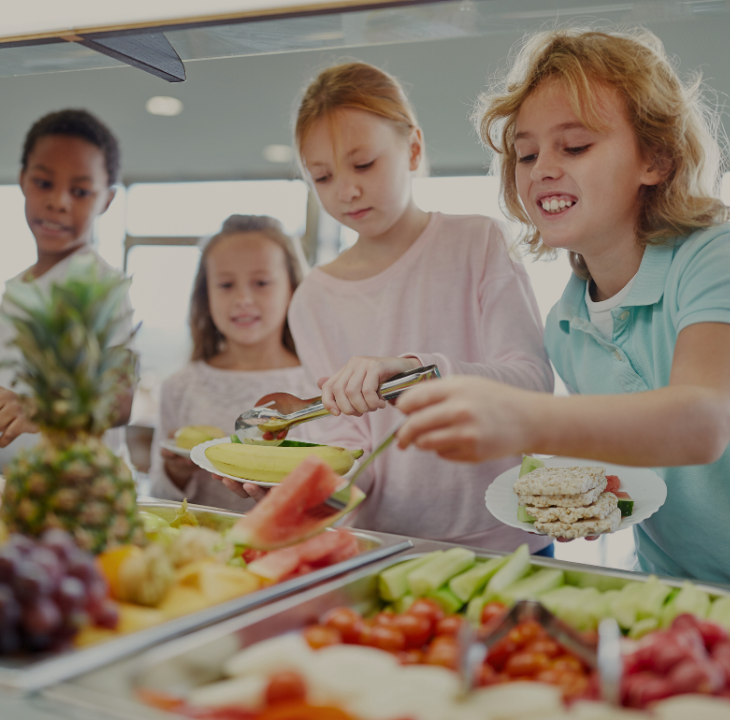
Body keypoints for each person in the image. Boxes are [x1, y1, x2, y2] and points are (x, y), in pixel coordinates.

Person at [395, 28, 730, 595]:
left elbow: (704, 421)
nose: (541, 167)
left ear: (657, 159)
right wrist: (589, 497)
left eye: (574, 146)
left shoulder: (719, 255)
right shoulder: (566, 323)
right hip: (676, 590)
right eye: (526, 153)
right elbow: (632, 458)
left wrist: (519, 418)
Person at [222, 62, 555, 553]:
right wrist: (302, 491)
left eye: (364, 164)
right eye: (322, 176)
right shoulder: (313, 298)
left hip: (504, 541)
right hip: (383, 547)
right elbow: (356, 455)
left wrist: (418, 373)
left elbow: (533, 384)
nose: (346, 190)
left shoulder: (476, 241)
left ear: (413, 148)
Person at [0, 109, 134, 474]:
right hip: (5, 484)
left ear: (107, 200)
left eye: (80, 191)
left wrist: (33, 407)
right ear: (22, 180)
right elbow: (13, 393)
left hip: (76, 491)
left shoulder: (100, 287)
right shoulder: (19, 286)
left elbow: (120, 402)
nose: (59, 202)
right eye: (44, 183)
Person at [149, 215, 314, 512]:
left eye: (261, 282)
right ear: (206, 295)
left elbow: (344, 497)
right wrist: (177, 472)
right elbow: (159, 496)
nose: (243, 298)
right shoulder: (180, 386)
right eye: (225, 284)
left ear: (292, 288)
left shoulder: (322, 383)